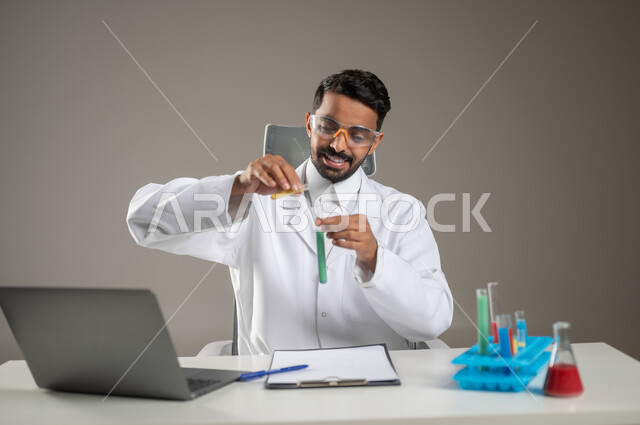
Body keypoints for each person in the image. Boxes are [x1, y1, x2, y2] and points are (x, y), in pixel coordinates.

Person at [126, 69, 453, 355]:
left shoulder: (401, 211)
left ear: (374, 142)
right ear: (310, 124)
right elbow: (145, 221)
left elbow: (432, 322)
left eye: (357, 135)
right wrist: (238, 186)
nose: (338, 145)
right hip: (272, 397)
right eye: (329, 126)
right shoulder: (252, 200)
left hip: (372, 393)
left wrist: (375, 259)